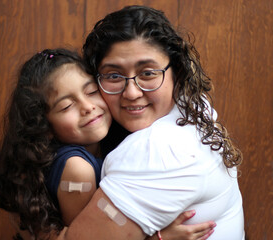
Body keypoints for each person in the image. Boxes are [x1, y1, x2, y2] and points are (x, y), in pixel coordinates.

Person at [56, 5, 244, 240]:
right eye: (114, 76)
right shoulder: (193, 104)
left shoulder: (156, 151)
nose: (132, 93)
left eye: (148, 73)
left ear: (176, 72)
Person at [0, 48, 216, 240]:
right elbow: (89, 235)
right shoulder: (78, 169)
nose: (87, 107)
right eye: (66, 106)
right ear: (43, 126)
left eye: (92, 91)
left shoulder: (113, 139)